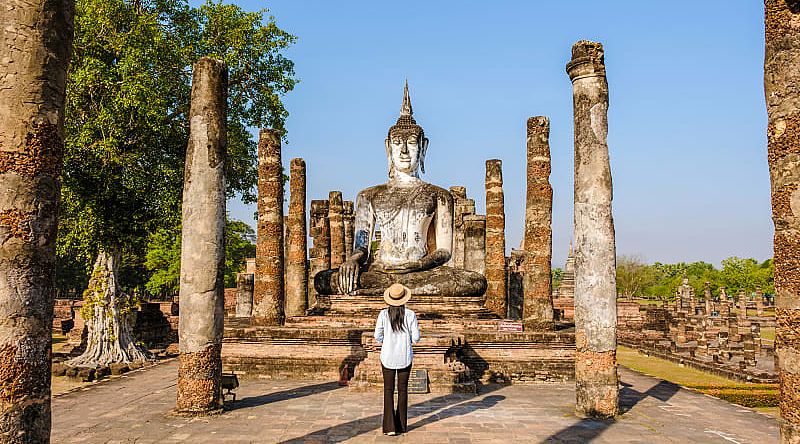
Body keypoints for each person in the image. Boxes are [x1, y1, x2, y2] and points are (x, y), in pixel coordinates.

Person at [374, 283, 420, 436]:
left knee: (388, 390)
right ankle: (401, 425)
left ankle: (389, 427)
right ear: (404, 298)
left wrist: (387, 340)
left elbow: (377, 336)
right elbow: (416, 338)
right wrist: (405, 340)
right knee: (403, 390)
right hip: (405, 355)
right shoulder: (411, 314)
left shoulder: (383, 314)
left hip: (387, 355)